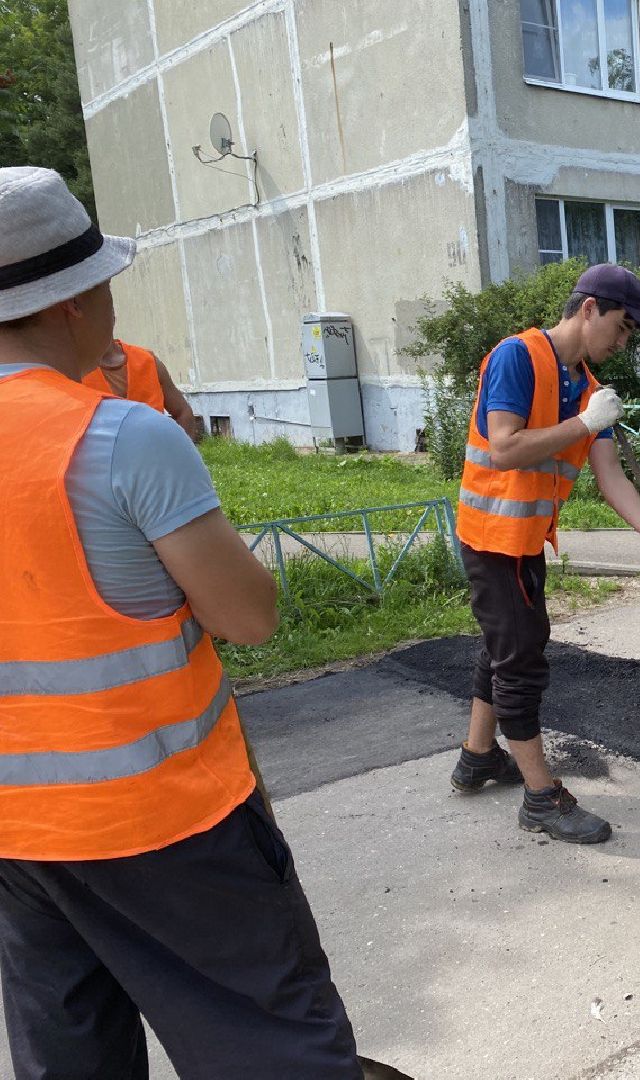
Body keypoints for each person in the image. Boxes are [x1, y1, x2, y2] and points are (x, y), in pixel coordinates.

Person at [0, 167, 362, 1078]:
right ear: (75, 299)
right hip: (168, 824)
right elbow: (251, 615)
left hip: (17, 839)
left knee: (72, 1060)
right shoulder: (121, 436)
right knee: (276, 1050)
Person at [448, 263, 640, 844]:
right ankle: (540, 797)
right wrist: (584, 421)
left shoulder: (587, 387)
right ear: (589, 309)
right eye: (622, 326)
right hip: (491, 539)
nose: (623, 340)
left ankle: (478, 757)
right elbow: (505, 447)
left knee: (502, 645)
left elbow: (610, 478)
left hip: (524, 541)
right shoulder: (516, 357)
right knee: (521, 659)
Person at [83, 337, 201, 441]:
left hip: (154, 458)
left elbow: (183, 412)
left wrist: (181, 455)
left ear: (113, 317)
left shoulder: (147, 361)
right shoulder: (73, 371)